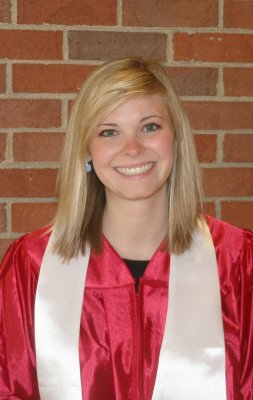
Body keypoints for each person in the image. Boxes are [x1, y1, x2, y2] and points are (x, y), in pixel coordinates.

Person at [0, 58, 252, 400]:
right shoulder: (32, 266)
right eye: (108, 132)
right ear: (87, 151)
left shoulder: (237, 262)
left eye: (149, 127)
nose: (132, 149)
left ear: (176, 140)